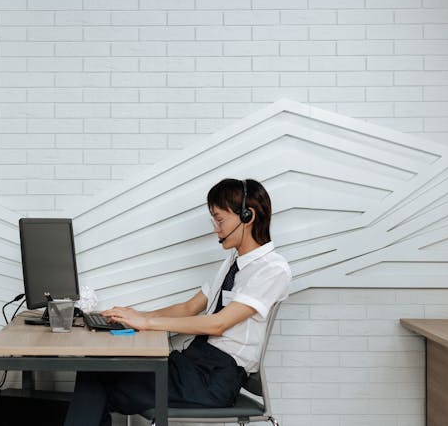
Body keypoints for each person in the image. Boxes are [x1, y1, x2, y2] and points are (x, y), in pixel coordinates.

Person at [63, 178, 292, 426]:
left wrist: (147, 322)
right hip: (194, 365)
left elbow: (218, 325)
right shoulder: (233, 262)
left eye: (220, 219)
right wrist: (137, 314)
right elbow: (188, 308)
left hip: (214, 380)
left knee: (97, 381)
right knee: (96, 375)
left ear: (248, 216)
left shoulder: (273, 269)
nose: (216, 228)